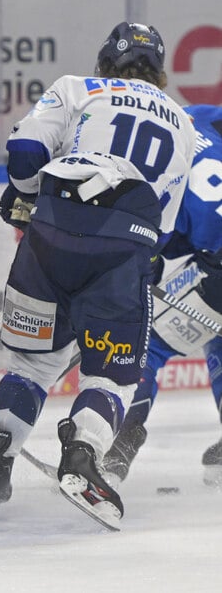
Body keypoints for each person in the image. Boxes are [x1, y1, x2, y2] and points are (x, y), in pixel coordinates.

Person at [0, 21, 197, 528]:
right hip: (125, 246)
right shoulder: (183, 122)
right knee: (113, 374)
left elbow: (25, 156)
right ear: (158, 72)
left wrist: (27, 196)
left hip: (49, 233)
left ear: (104, 62)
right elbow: (162, 223)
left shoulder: (77, 88)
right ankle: (81, 455)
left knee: (31, 367)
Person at [100, 104, 222, 488]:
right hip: (214, 265)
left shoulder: (178, 135)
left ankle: (117, 452)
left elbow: (157, 239)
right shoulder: (198, 119)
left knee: (145, 341)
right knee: (217, 335)